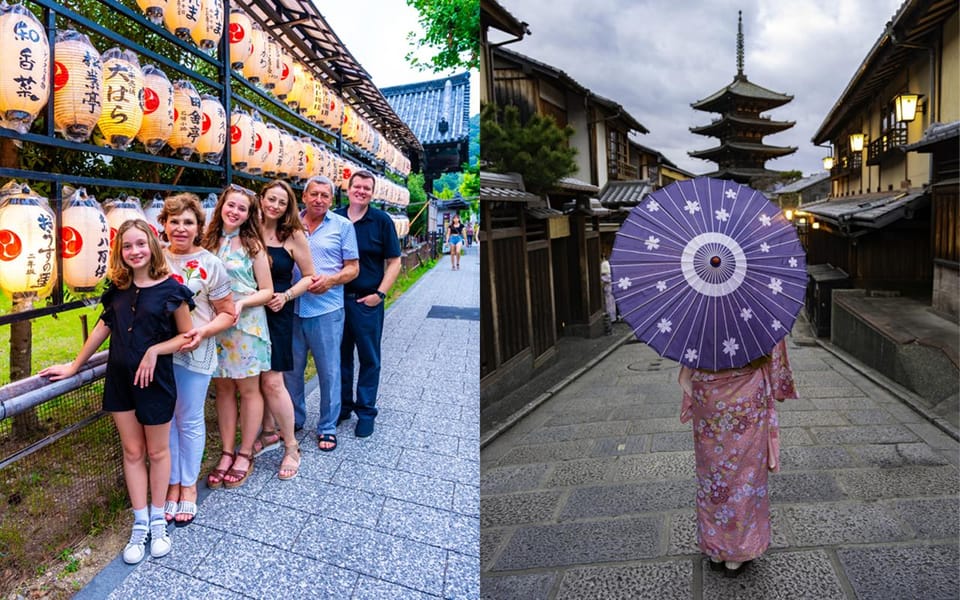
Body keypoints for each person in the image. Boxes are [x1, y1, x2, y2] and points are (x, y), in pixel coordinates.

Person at [41, 219, 194, 564]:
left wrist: (155, 350)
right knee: (131, 450)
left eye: (141, 244)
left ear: (152, 245)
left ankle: (158, 521)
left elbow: (186, 338)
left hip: (156, 382)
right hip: (120, 380)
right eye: (127, 246)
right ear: (119, 252)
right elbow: (102, 328)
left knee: (157, 453)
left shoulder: (172, 289)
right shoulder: (119, 288)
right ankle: (139, 523)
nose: (135, 251)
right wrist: (75, 365)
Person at [678, 338, 796, 577]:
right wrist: (778, 386)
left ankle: (715, 548)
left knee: (713, 477)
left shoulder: (701, 307)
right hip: (747, 396)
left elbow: (688, 362)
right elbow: (775, 355)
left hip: (708, 395)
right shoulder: (758, 307)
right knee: (745, 475)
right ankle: (739, 550)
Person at [159, 194, 235, 524]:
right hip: (159, 352)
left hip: (194, 351)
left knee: (188, 419)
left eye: (188, 222)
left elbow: (228, 314)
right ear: (163, 224)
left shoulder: (211, 263)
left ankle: (188, 485)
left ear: (198, 227)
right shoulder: (154, 258)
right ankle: (170, 484)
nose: (180, 228)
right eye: (174, 221)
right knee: (165, 421)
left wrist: (202, 333)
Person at [202, 184, 273, 488]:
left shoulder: (253, 245)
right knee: (224, 389)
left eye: (242, 209)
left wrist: (242, 302)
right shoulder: (206, 242)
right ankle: (227, 451)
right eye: (231, 205)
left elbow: (267, 290)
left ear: (248, 215)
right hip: (215, 327)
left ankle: (246, 452)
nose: (235, 212)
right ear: (221, 206)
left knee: (248, 390)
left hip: (245, 325)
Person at [283, 175, 358, 452]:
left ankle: (327, 426)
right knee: (292, 371)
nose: (319, 200)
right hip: (292, 307)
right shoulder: (290, 224)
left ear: (331, 199)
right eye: (314, 194)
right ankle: (295, 419)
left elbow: (353, 268)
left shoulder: (343, 226)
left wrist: (331, 280)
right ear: (304, 196)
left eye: (325, 196)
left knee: (329, 371)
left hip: (327, 309)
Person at [334, 169, 401, 438]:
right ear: (348, 189)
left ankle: (366, 410)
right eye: (357, 187)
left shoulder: (381, 220)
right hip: (336, 299)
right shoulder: (335, 218)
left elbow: (394, 261)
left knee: (369, 357)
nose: (361, 191)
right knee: (339, 356)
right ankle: (342, 407)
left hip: (367, 301)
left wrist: (380, 294)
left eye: (367, 188)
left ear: (372, 193)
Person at [256, 179, 315, 479]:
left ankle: (291, 447)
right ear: (262, 198)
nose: (275, 206)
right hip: (249, 313)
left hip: (278, 310)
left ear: (288, 205)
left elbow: (309, 276)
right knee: (254, 381)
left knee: (273, 382)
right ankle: (267, 432)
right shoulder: (249, 230)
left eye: (282, 202)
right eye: (271, 199)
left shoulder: (292, 234)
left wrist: (287, 295)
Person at [600, 254, 616, 324]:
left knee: (609, 303)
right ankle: (612, 318)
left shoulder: (604, 264)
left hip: (608, 287)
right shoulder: (606, 264)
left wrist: (602, 280)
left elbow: (606, 277)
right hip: (609, 286)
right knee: (610, 302)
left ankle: (611, 318)